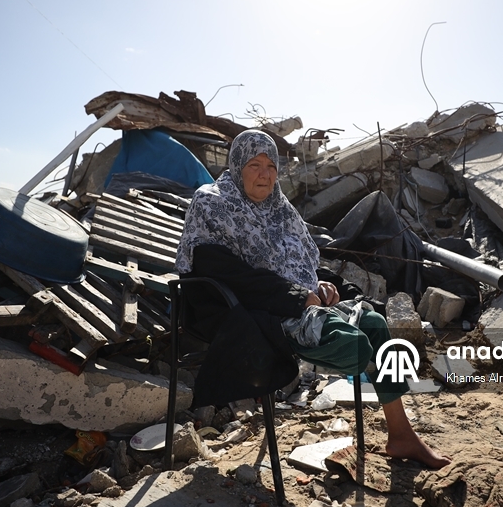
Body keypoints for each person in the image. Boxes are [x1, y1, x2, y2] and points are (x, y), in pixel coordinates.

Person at [176, 129, 450, 469]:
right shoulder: (213, 203)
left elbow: (301, 263)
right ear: (236, 166)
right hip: (248, 309)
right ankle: (390, 416)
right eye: (254, 165)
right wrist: (297, 296)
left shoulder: (280, 208)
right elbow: (227, 274)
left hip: (298, 303)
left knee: (376, 325)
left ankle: (401, 434)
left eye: (271, 166)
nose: (265, 174)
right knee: (354, 345)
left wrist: (320, 285)